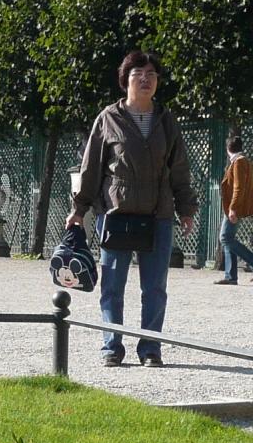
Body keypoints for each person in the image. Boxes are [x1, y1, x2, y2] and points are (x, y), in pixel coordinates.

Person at [66, 50, 197, 368]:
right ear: (126, 79)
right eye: (139, 73)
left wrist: (186, 208)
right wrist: (79, 209)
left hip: (158, 215)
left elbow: (179, 169)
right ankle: (112, 346)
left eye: (152, 74)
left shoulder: (166, 120)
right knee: (112, 286)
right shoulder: (108, 118)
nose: (146, 79)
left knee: (155, 288)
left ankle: (150, 348)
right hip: (116, 214)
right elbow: (91, 169)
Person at [214, 133, 253, 284]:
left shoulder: (238, 162)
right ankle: (230, 276)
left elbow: (239, 187)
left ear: (227, 148)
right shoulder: (243, 161)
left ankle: (234, 273)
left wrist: (233, 208)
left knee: (225, 237)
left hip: (235, 206)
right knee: (228, 237)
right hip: (235, 206)